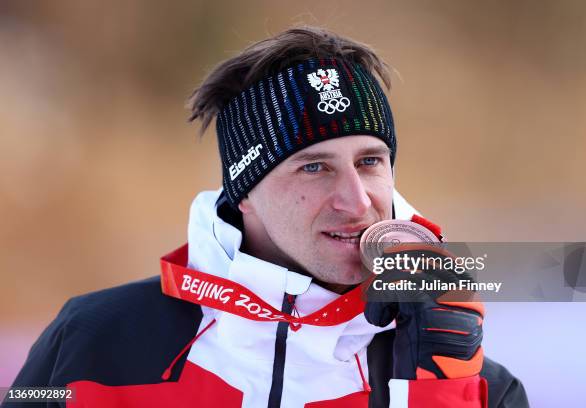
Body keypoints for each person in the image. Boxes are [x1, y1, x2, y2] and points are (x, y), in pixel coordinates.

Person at [4, 26, 528, 407]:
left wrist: (438, 398)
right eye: (314, 167)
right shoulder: (90, 343)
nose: (356, 199)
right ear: (246, 192)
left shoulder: (475, 383)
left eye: (370, 162)